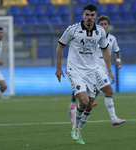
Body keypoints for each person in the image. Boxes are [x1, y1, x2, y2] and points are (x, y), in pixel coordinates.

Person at [55, 4, 115, 145]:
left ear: (95, 16)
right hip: (74, 70)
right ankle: (75, 127)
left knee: (89, 105)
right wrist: (58, 68)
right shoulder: (73, 29)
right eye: (86, 15)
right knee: (83, 101)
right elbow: (60, 46)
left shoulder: (100, 32)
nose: (89, 18)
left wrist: (109, 70)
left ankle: (78, 131)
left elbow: (105, 49)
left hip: (91, 71)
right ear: (83, 15)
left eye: (92, 15)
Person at [70, 15, 125, 126]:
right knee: (109, 91)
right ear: (97, 25)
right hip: (95, 69)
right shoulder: (92, 37)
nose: (103, 26)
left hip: (103, 70)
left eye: (105, 24)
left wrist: (118, 59)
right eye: (101, 24)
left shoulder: (112, 39)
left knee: (90, 100)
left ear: (108, 26)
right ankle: (114, 118)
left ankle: (74, 112)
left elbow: (116, 50)